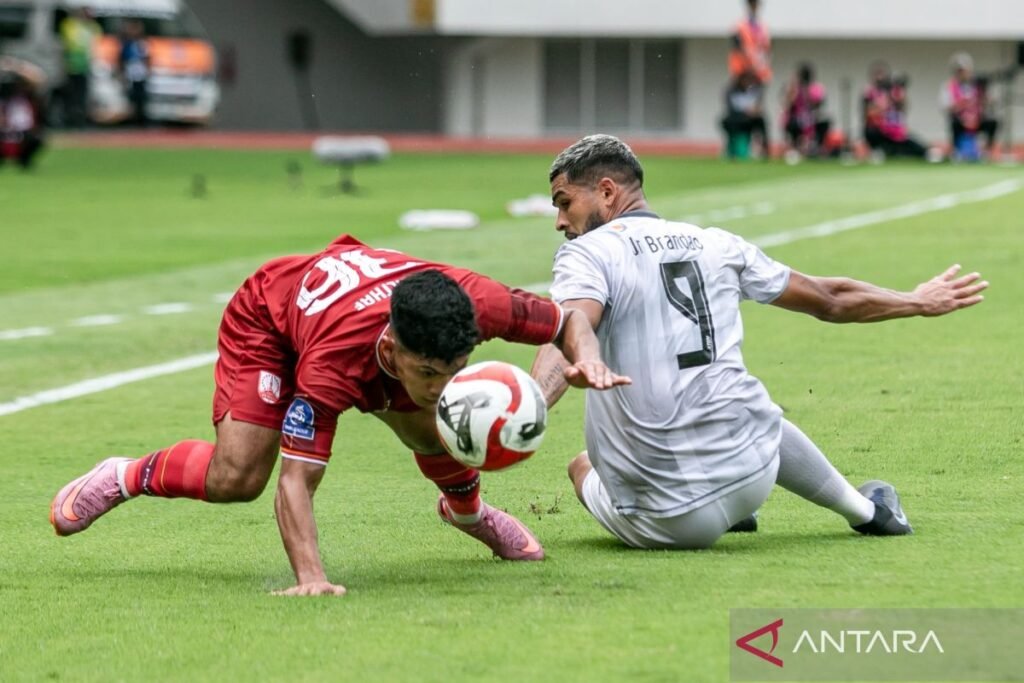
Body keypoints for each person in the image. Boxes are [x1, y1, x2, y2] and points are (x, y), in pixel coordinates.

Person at [49, 235, 629, 596]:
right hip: (270, 320)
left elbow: (568, 321)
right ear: (393, 351)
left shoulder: (479, 302)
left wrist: (591, 362)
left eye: (457, 367)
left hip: (350, 309)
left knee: (433, 425)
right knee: (239, 477)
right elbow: (296, 481)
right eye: (431, 372)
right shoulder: (333, 367)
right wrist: (312, 578)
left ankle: (470, 515)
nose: (446, 385)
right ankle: (124, 475)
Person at [532, 134, 987, 550]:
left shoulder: (586, 252)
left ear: (607, 192)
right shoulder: (716, 244)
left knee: (581, 465)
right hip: (751, 474)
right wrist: (915, 300)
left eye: (564, 202)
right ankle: (867, 512)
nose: (559, 221)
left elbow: (570, 324)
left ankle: (731, 508)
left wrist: (528, 405)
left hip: (671, 522)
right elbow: (829, 298)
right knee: (747, 405)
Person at [862, 62, 929, 160]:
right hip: (881, 132)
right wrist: (886, 103)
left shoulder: (896, 97)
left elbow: (903, 107)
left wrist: (898, 96)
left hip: (896, 133)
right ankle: (879, 151)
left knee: (915, 148)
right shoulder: (873, 94)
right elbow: (870, 113)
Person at [941, 52, 999, 161]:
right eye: (960, 71)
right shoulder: (949, 86)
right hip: (960, 120)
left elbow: (991, 101)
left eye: (965, 70)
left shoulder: (978, 85)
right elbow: (946, 107)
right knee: (954, 123)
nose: (963, 73)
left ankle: (986, 152)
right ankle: (957, 151)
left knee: (993, 121)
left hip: (977, 119)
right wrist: (962, 105)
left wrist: (983, 96)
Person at [0, 57, 46, 170]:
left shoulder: (25, 95)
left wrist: (16, 66)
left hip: (23, 134)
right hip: (3, 133)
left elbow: (39, 78)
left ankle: (24, 160)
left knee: (37, 138)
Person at [58, 7, 101, 128]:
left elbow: (96, 43)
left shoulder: (92, 27)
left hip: (86, 67)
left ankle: (80, 119)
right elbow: (68, 41)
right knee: (71, 94)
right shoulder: (71, 25)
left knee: (83, 95)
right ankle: (70, 118)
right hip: (72, 66)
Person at [781, 62, 831, 160]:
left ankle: (816, 147)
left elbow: (818, 103)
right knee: (793, 123)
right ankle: (796, 148)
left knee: (823, 121)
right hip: (796, 117)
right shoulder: (794, 89)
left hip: (811, 116)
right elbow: (788, 104)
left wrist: (808, 97)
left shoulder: (815, 88)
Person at [720, 69, 769, 160]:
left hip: (751, 119)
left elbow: (758, 107)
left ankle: (764, 150)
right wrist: (745, 112)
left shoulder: (755, 91)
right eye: (746, 79)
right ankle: (732, 149)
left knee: (761, 121)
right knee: (728, 122)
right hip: (735, 118)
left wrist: (755, 111)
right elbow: (730, 108)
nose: (748, 82)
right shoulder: (731, 91)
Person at [729, 0, 772, 87]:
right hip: (743, 74)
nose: (754, 6)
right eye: (752, 3)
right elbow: (737, 48)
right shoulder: (740, 26)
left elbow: (766, 50)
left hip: (758, 74)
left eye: (755, 4)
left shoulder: (763, 27)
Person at [118, 19, 150, 126]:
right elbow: (122, 58)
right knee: (131, 95)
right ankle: (132, 117)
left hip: (140, 72)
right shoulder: (126, 43)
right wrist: (122, 72)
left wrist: (147, 70)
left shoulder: (142, 43)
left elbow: (146, 57)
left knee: (141, 95)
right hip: (130, 71)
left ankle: (141, 118)